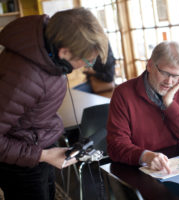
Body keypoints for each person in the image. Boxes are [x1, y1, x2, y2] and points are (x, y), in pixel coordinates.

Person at [0, 8, 108, 200]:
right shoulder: (22, 77)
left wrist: (46, 151)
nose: (87, 66)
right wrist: (42, 155)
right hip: (22, 164)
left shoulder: (49, 55)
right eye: (86, 61)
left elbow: (34, 111)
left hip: (38, 150)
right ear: (64, 51)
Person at [107, 41, 179, 174]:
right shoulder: (123, 93)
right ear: (150, 65)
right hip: (139, 170)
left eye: (176, 76)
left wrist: (169, 104)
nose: (169, 82)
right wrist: (146, 156)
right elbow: (115, 146)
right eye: (164, 73)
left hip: (176, 166)